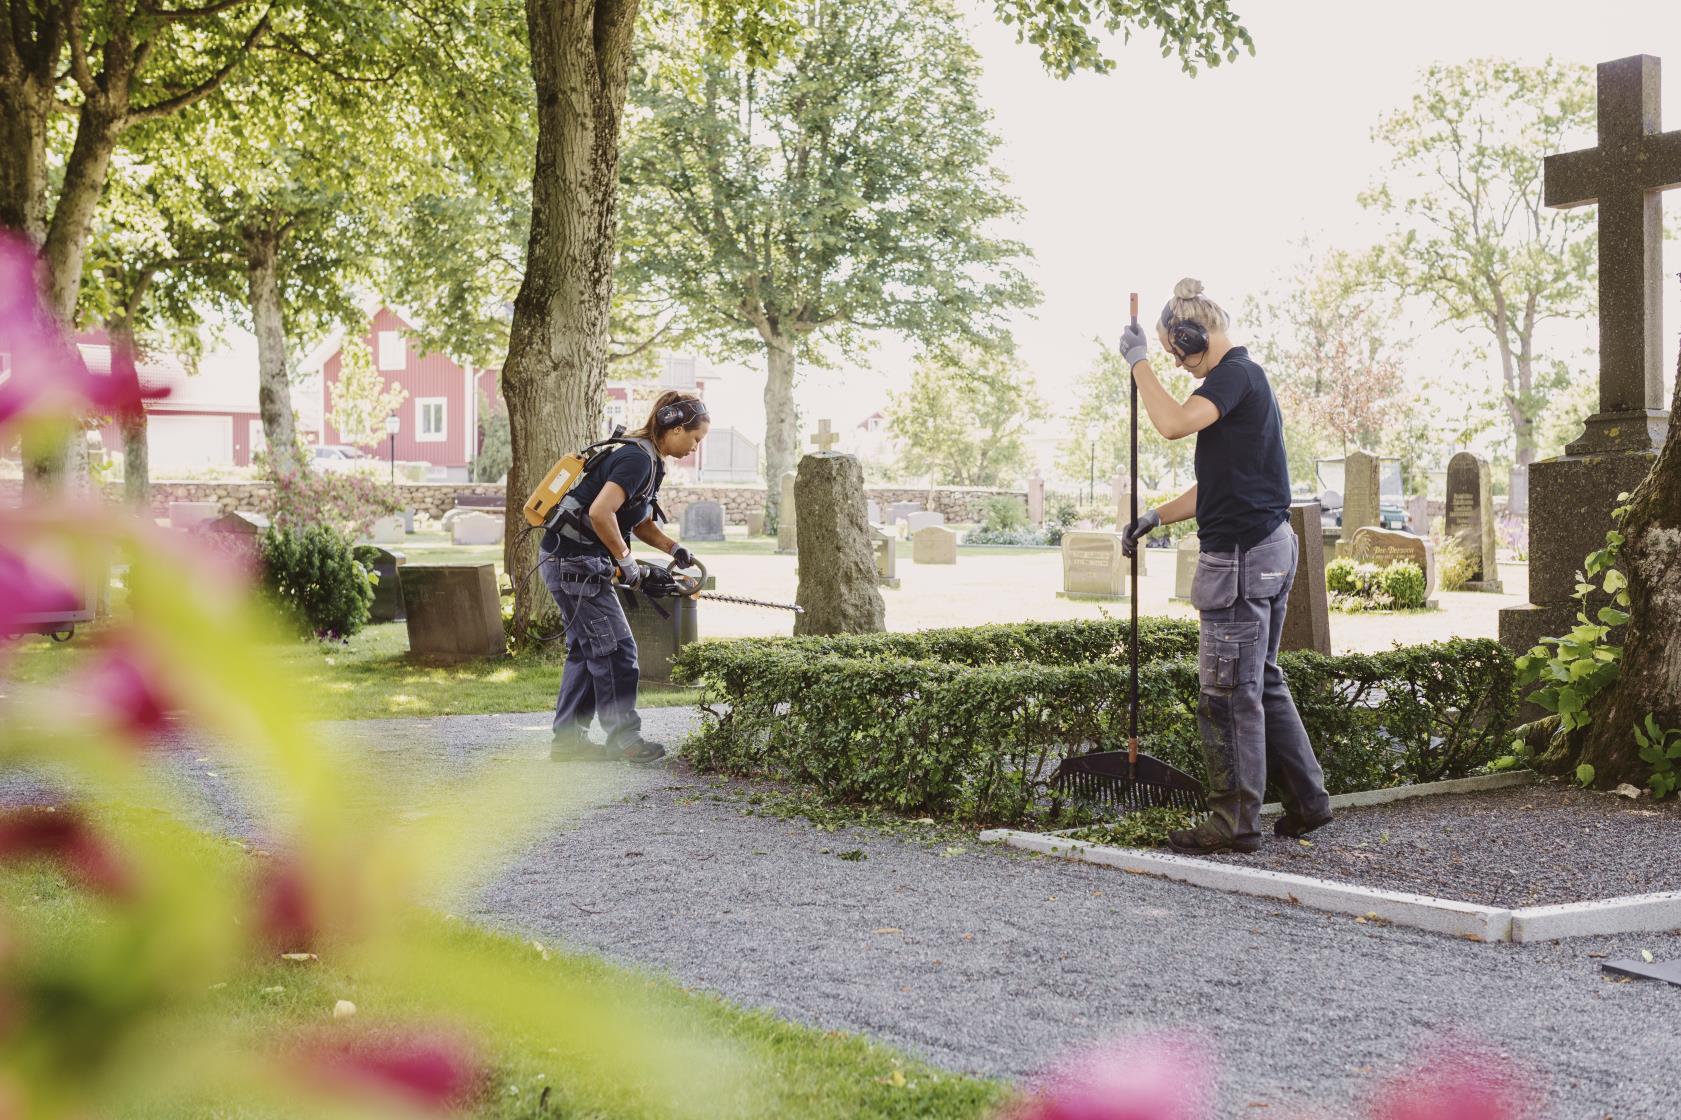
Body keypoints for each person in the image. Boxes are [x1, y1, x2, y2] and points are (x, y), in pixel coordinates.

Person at [1119, 278, 1333, 854]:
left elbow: (1170, 424)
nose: (1174, 363)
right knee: (1260, 680)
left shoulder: (1232, 376)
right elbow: (1218, 483)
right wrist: (1156, 517)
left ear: (1193, 336)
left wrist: (1139, 364)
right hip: (1264, 546)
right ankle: (1308, 803)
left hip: (1240, 558)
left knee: (1226, 693)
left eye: (1174, 350)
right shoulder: (1240, 381)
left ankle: (1233, 822)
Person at [538, 391, 710, 763]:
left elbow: (638, 519)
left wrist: (673, 549)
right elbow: (601, 513)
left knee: (588, 651)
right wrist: (627, 563)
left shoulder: (649, 460)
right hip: (575, 563)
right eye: (695, 438)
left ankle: (568, 743)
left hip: (571, 562)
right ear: (676, 428)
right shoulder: (636, 458)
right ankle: (624, 740)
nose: (695, 447)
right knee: (616, 650)